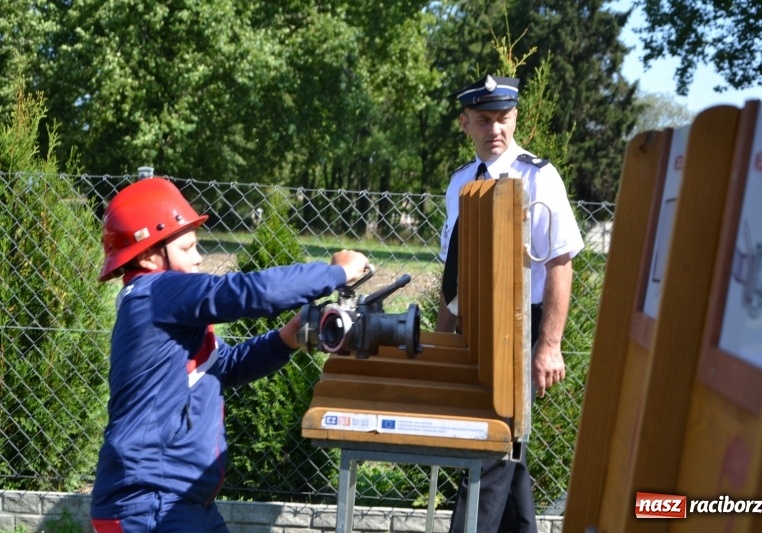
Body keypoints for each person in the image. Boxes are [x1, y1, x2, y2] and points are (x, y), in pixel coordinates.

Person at [89, 176, 369, 533]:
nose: (199, 257)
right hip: (149, 506)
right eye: (188, 248)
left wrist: (286, 338)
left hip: (185, 501)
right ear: (147, 256)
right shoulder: (154, 293)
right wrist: (336, 272)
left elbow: (225, 367)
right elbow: (249, 292)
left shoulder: (164, 308)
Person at [436, 75, 585, 533]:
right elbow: (451, 276)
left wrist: (550, 344)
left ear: (515, 117)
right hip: (474, 326)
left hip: (522, 327)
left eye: (503, 118)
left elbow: (561, 262)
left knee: (493, 443)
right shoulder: (461, 183)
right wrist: (444, 344)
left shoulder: (539, 177)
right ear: (465, 123)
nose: (495, 129)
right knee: (509, 448)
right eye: (483, 120)